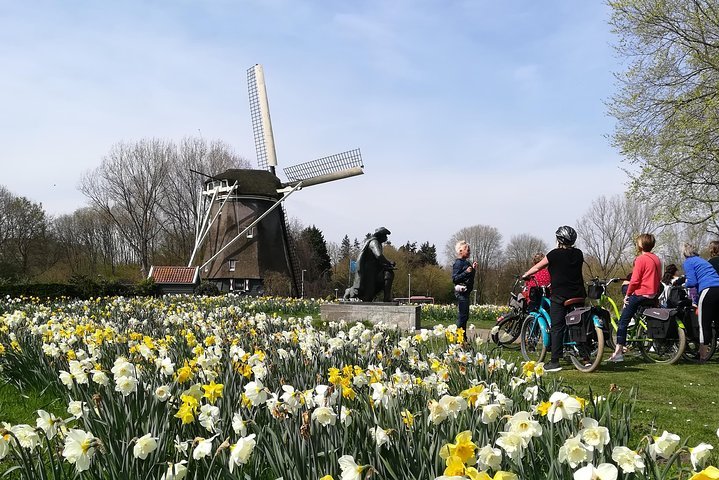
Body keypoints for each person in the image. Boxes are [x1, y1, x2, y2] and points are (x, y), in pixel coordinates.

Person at [522, 226, 586, 372]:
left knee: (557, 327)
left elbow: (538, 267)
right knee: (579, 322)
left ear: (558, 239)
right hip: (578, 294)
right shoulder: (579, 253)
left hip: (560, 295)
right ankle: (585, 356)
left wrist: (526, 274)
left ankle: (555, 361)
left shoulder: (553, 254)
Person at [608, 233, 662, 362]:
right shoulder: (656, 259)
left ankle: (618, 352)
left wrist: (627, 295)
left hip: (641, 293)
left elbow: (635, 280)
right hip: (653, 294)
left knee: (622, 322)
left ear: (641, 245)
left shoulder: (640, 259)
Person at [682, 243, 719, 362]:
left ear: (684, 253)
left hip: (708, 290)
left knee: (704, 324)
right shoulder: (702, 261)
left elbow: (692, 282)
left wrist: (683, 284)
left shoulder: (688, 262)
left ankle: (702, 355)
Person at [343, 227, 395, 302]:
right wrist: (388, 262)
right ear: (380, 235)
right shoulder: (374, 242)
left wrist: (387, 263)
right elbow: (379, 255)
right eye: (385, 235)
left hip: (375, 270)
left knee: (388, 273)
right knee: (366, 297)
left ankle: (387, 297)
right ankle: (349, 291)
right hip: (369, 271)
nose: (386, 238)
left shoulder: (378, 243)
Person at [452, 241, 477, 332]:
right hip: (461, 293)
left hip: (466, 292)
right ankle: (459, 338)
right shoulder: (458, 263)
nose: (469, 252)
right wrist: (466, 272)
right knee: (462, 316)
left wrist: (473, 270)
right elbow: (455, 279)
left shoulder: (466, 262)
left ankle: (463, 338)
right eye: (468, 250)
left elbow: (470, 278)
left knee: (465, 316)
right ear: (460, 251)